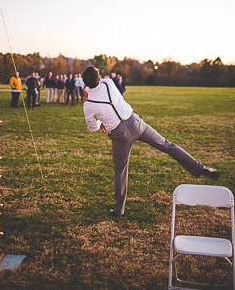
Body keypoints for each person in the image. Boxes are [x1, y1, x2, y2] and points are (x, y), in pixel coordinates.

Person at [81, 66, 219, 217]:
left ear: (86, 85)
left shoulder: (88, 104)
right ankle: (201, 168)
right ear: (99, 78)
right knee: (167, 145)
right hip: (136, 123)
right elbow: (98, 87)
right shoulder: (108, 83)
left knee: (120, 171)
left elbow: (92, 127)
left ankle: (119, 209)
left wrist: (101, 122)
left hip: (120, 135)